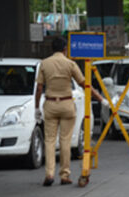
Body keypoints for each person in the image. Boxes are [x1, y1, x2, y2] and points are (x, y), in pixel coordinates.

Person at [35, 37, 105, 187]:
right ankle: (65, 174)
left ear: (51, 49)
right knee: (65, 140)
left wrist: (36, 108)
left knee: (49, 140)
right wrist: (100, 99)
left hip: (50, 104)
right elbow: (84, 84)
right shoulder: (70, 64)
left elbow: (39, 88)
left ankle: (49, 173)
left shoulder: (44, 64)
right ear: (65, 49)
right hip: (67, 104)